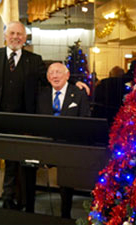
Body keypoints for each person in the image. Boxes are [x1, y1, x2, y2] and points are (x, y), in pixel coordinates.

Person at [0, 21, 89, 209]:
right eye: (12, 33)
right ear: (5, 35)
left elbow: (52, 76)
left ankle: (8, 200)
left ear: (25, 38)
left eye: (20, 34)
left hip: (19, 123)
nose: (15, 37)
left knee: (12, 165)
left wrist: (74, 82)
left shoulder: (34, 60)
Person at [35, 62, 89, 218]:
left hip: (68, 144)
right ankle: (29, 210)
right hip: (46, 144)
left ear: (67, 75)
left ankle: (65, 214)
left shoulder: (78, 93)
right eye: (51, 73)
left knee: (66, 173)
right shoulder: (42, 95)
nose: (54, 75)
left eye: (58, 72)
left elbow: (85, 120)